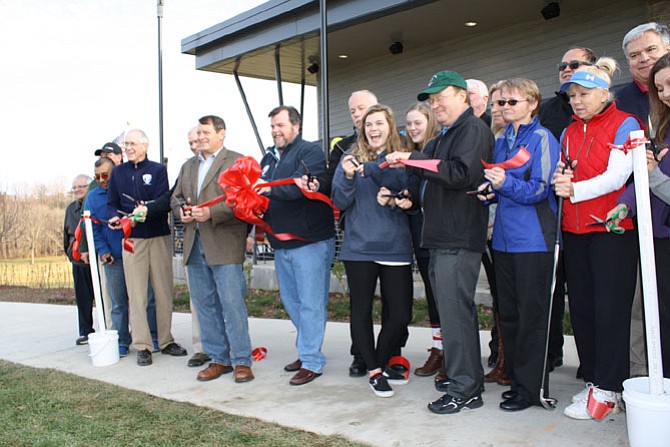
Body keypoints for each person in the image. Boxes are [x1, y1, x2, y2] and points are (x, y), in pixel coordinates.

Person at [386, 70, 494, 414]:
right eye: (431, 100)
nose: (435, 105)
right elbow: (431, 173)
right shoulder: (445, 135)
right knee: (450, 315)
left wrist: (413, 159)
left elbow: (460, 172)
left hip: (458, 237)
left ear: (462, 96)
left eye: (441, 97)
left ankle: (465, 388)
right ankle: (465, 378)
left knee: (456, 314)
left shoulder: (472, 129)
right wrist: (409, 189)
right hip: (441, 238)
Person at [552, 58, 642, 420]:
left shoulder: (626, 124)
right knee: (584, 312)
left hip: (610, 231)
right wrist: (561, 179)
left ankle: (609, 388)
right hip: (574, 232)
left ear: (605, 93)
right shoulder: (569, 131)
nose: (576, 101)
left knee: (610, 312)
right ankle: (593, 382)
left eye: (584, 94)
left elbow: (618, 176)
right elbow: (566, 171)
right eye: (572, 95)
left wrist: (573, 189)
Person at [478, 78, 560, 411]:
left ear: (532, 103)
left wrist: (504, 183)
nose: (504, 108)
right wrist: (489, 192)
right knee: (508, 315)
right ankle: (516, 380)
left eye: (512, 102)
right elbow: (501, 186)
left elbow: (541, 189)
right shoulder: (502, 140)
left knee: (532, 317)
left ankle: (532, 389)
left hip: (534, 241)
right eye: (500, 103)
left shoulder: (543, 138)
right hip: (504, 241)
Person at [331, 104, 416, 397]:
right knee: (361, 311)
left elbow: (407, 189)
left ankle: (379, 360)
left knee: (401, 313)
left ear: (390, 126)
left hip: (395, 247)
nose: (373, 129)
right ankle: (375, 370)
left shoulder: (402, 157)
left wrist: (388, 186)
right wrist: (349, 176)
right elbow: (340, 202)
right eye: (368, 125)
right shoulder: (350, 158)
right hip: (359, 249)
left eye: (379, 123)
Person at [171, 115, 254, 383]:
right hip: (195, 245)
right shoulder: (187, 166)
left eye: (206, 132)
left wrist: (212, 212)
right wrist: (181, 211)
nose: (201, 137)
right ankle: (219, 359)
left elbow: (244, 199)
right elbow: (176, 198)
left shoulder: (237, 161)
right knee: (205, 305)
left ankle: (242, 360)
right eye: (199, 132)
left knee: (231, 305)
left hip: (225, 244)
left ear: (222, 134)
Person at [257, 106, 336, 385]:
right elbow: (257, 190)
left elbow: (305, 187)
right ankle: (307, 350)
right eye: (272, 126)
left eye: (280, 125)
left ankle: (312, 360)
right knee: (292, 302)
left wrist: (268, 188)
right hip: (280, 243)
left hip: (310, 241)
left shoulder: (309, 152)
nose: (275, 130)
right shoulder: (268, 158)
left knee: (311, 304)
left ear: (296, 126)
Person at [607, 52, 670, 378]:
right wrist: (626, 203)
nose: (665, 94)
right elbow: (645, 177)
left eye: (669, 84)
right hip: (658, 238)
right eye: (659, 89)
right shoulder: (662, 128)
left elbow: (657, 177)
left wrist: (654, 173)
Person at [539, 47, 597, 376]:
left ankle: (590, 362)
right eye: (562, 65)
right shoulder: (548, 110)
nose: (566, 69)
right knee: (552, 291)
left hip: (591, 217)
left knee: (582, 293)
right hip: (553, 216)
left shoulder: (604, 109)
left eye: (574, 64)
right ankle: (550, 353)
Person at [107, 128, 187, 366]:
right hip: (132, 241)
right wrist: (115, 217)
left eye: (132, 143)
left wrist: (147, 208)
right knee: (137, 294)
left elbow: (164, 202)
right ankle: (142, 345)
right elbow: (112, 203)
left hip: (158, 237)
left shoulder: (158, 170)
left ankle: (165, 340)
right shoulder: (118, 173)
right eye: (125, 144)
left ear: (145, 145)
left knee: (163, 292)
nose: (128, 147)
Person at [402, 102, 443, 378]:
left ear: (430, 121)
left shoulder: (437, 149)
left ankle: (451, 351)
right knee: (432, 296)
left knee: (444, 296)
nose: (413, 128)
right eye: (409, 124)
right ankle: (439, 348)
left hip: (440, 235)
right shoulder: (414, 154)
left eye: (418, 122)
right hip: (421, 236)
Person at [84, 157, 132, 357]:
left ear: (115, 172)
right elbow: (93, 229)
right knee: (118, 303)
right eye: (97, 176)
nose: (102, 179)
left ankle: (149, 338)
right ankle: (122, 340)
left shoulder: (127, 191)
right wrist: (102, 251)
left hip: (134, 252)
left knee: (143, 299)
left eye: (105, 175)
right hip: (113, 257)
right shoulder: (93, 198)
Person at [63, 174, 95, 346]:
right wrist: (71, 254)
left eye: (81, 186)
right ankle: (86, 332)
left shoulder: (95, 202)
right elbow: (66, 236)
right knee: (83, 298)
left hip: (98, 259)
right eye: (75, 188)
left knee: (106, 298)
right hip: (78, 261)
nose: (77, 190)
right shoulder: (70, 209)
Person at [616, 22, 670, 121]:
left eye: (651, 49)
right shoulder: (616, 103)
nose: (644, 59)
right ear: (628, 62)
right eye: (634, 55)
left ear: (668, 50)